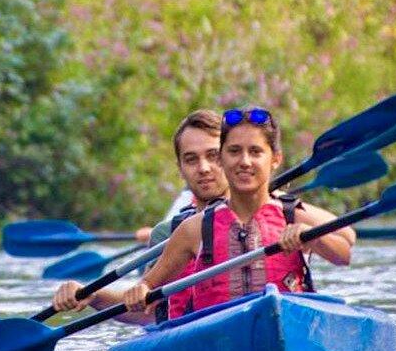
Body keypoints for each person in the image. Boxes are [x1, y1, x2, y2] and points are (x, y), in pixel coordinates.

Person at [121, 106, 355, 318]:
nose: (244, 161)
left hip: (288, 325)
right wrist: (139, 291)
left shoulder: (293, 215)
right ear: (221, 159)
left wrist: (311, 235)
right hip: (218, 339)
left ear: (275, 159)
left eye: (255, 152)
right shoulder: (193, 229)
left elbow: (343, 256)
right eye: (234, 151)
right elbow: (148, 286)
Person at [51, 109, 229, 324]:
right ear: (180, 169)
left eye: (214, 156)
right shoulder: (167, 233)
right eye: (191, 160)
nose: (203, 168)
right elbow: (149, 311)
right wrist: (93, 295)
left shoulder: (274, 212)